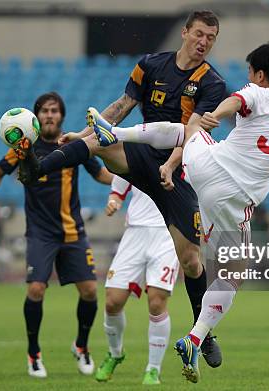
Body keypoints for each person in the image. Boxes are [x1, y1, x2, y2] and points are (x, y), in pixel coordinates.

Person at [88, 42, 269, 383]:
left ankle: (116, 133)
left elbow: (238, 101)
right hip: (237, 197)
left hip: (204, 171)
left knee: (189, 128)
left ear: (260, 74)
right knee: (232, 273)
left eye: (251, 73)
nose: (248, 78)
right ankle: (196, 336)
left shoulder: (255, 92)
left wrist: (215, 115)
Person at [16, 10, 226, 368]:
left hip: (176, 174)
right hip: (141, 156)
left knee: (191, 260)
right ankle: (40, 165)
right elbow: (119, 109)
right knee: (98, 141)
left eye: (211, 38)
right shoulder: (150, 65)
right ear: (185, 32)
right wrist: (82, 136)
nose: (204, 42)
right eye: (200, 34)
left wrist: (171, 165)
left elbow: (192, 133)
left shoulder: (212, 84)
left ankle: (202, 332)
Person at [0, 92, 113, 378]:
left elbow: (100, 175)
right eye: (45, 111)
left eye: (54, 110)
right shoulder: (25, 147)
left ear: (62, 115)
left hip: (72, 229)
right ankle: (34, 353)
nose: (50, 115)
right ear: (36, 117)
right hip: (40, 232)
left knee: (89, 290)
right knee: (36, 289)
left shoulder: (72, 145)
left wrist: (134, 179)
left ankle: (82, 346)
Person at [95, 175, 179, 385]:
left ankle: (153, 369)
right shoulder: (134, 153)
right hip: (135, 233)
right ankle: (115, 353)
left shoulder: (182, 153)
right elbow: (118, 189)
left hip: (167, 234)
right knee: (112, 301)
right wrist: (114, 201)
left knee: (157, 301)